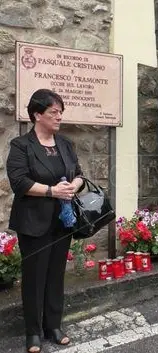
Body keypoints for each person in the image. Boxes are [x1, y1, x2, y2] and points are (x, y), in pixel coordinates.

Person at [6, 89, 84, 353]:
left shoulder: (65, 144)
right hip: (33, 221)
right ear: (37, 115)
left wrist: (73, 185)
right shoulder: (21, 146)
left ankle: (54, 326)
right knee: (34, 277)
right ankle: (33, 332)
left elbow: (80, 174)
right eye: (54, 112)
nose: (59, 117)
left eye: (61, 112)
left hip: (62, 220)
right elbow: (19, 182)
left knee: (55, 275)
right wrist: (52, 191)